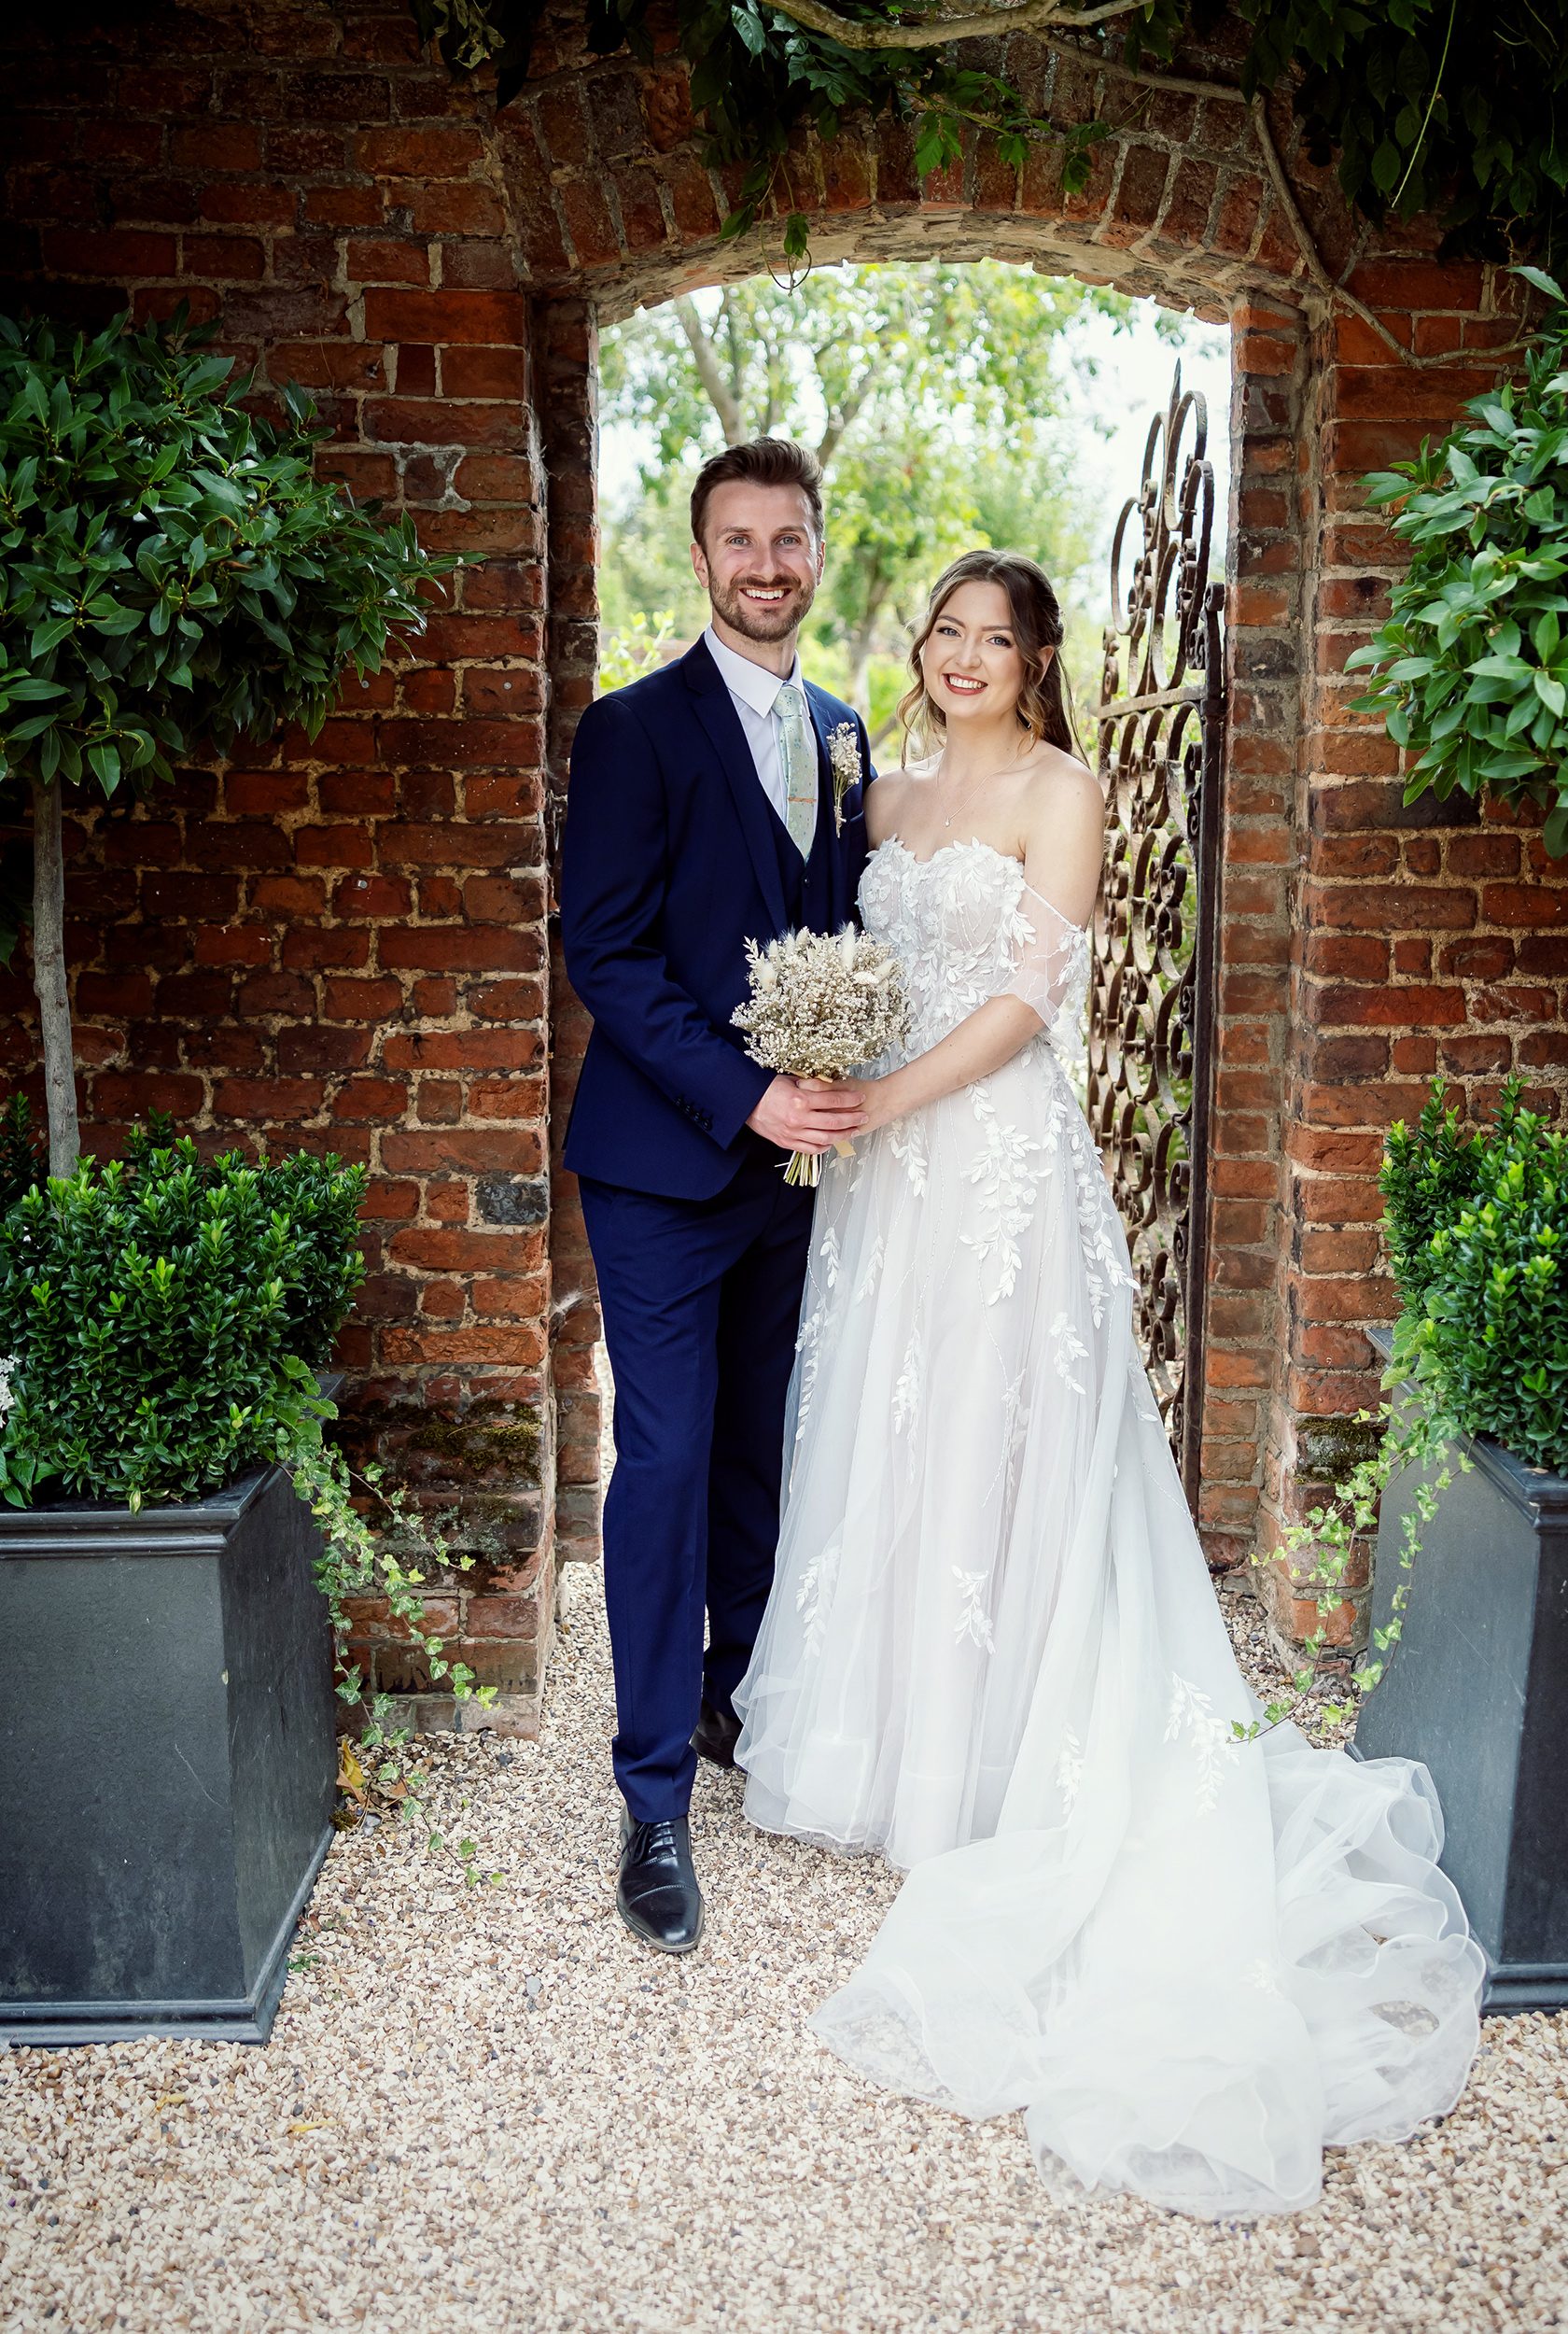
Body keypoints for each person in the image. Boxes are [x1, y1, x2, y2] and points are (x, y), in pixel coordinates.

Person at [734, 548, 1485, 2218]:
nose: (962, 656)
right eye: (944, 630)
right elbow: (852, 964)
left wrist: (890, 1097)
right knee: (884, 1435)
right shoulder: (881, 791)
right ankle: (888, 1749)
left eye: (993, 638)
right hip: (880, 1179)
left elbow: (1022, 1001)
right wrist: (824, 1063)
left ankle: (1007, 1762)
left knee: (1006, 1441)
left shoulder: (1067, 793)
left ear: (1037, 658)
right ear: (921, 647)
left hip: (987, 1159)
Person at [561, 438, 874, 1954]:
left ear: (818, 552)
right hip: (661, 1166)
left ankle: (743, 1699)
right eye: (738, 541)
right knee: (670, 1462)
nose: (765, 565)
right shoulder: (631, 730)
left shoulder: (844, 729)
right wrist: (745, 1090)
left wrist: (844, 1079)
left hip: (798, 1173)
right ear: (699, 560)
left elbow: (839, 933)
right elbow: (606, 958)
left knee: (766, 1450)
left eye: (788, 539)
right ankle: (651, 1798)